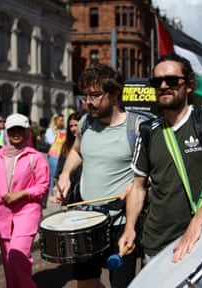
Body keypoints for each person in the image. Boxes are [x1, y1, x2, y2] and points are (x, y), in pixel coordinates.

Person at [118, 53, 202, 263]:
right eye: (156, 82)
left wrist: (196, 223)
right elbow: (138, 187)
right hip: (155, 244)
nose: (163, 86)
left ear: (189, 85)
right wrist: (129, 228)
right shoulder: (147, 131)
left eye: (171, 81)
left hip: (201, 238)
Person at [55, 64, 150, 288]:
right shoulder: (87, 123)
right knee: (85, 282)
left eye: (95, 95)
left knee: (121, 284)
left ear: (115, 93)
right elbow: (77, 151)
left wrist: (137, 185)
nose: (88, 101)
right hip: (86, 219)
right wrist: (66, 174)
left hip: (121, 222)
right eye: (84, 95)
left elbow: (154, 169)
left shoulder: (136, 127)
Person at [0, 113, 50, 288]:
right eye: (12, 130)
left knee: (17, 255)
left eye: (20, 129)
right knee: (8, 265)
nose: (16, 133)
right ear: (7, 132)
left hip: (27, 213)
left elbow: (43, 186)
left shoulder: (35, 157)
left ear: (27, 132)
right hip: (3, 216)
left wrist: (21, 194)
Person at [54, 111, 83, 205]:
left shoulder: (89, 144)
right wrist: (59, 186)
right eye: (71, 126)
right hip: (70, 196)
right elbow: (59, 170)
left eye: (76, 125)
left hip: (85, 195)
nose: (73, 129)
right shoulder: (66, 145)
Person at [45, 113, 65, 203]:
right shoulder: (50, 130)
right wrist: (58, 136)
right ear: (55, 120)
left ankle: (59, 192)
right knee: (54, 175)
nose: (62, 122)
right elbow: (50, 141)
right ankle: (52, 195)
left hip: (62, 154)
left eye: (63, 120)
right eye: (60, 120)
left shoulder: (64, 131)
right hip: (54, 155)